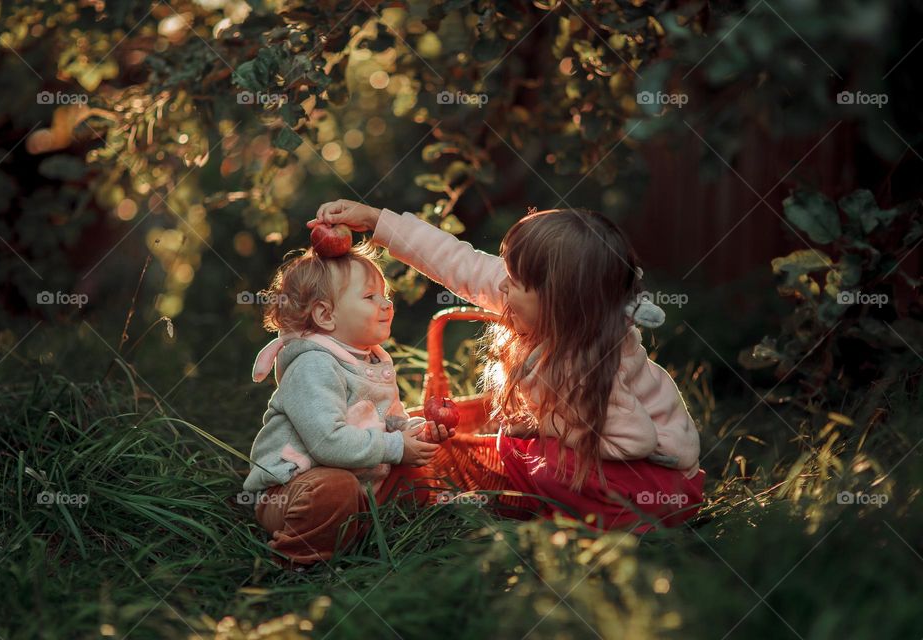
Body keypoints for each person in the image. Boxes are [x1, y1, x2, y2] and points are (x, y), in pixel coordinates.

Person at [308, 200, 705, 533]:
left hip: (654, 484)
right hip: (615, 467)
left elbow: (635, 440)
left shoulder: (589, 366)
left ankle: (576, 523)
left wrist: (540, 429)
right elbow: (457, 262)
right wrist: (378, 221)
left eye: (513, 281)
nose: (501, 286)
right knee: (513, 450)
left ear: (559, 301)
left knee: (542, 465)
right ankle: (538, 499)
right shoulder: (540, 302)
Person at [244, 243, 452, 566]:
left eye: (385, 296)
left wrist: (416, 433)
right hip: (293, 491)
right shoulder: (312, 365)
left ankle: (365, 536)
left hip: (360, 484)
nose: (386, 304)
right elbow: (328, 442)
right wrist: (395, 446)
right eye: (371, 297)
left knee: (418, 477)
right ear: (325, 315)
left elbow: (389, 421)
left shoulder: (373, 360)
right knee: (333, 490)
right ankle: (298, 559)